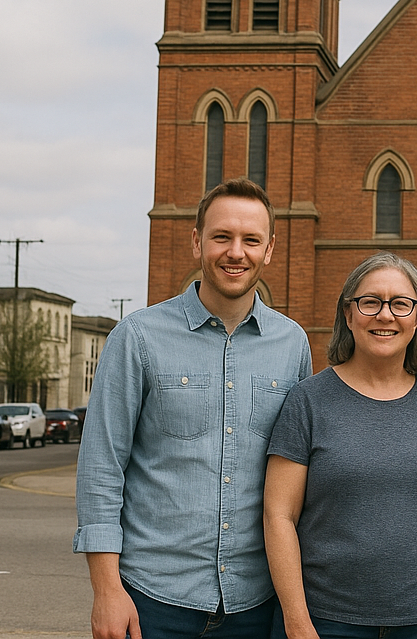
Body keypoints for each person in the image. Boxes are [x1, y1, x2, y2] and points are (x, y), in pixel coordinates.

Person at [74, 178, 312, 639]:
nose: (235, 252)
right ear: (197, 240)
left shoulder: (293, 344)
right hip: (151, 600)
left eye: (251, 240)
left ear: (270, 250)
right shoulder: (137, 337)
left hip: (256, 604)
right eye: (222, 236)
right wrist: (106, 590)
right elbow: (101, 467)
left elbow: (299, 477)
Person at [264, 251, 417, 639]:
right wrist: (297, 622)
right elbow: (279, 516)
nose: (385, 315)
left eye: (400, 303)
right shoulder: (308, 401)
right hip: (325, 621)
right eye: (370, 302)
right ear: (348, 314)